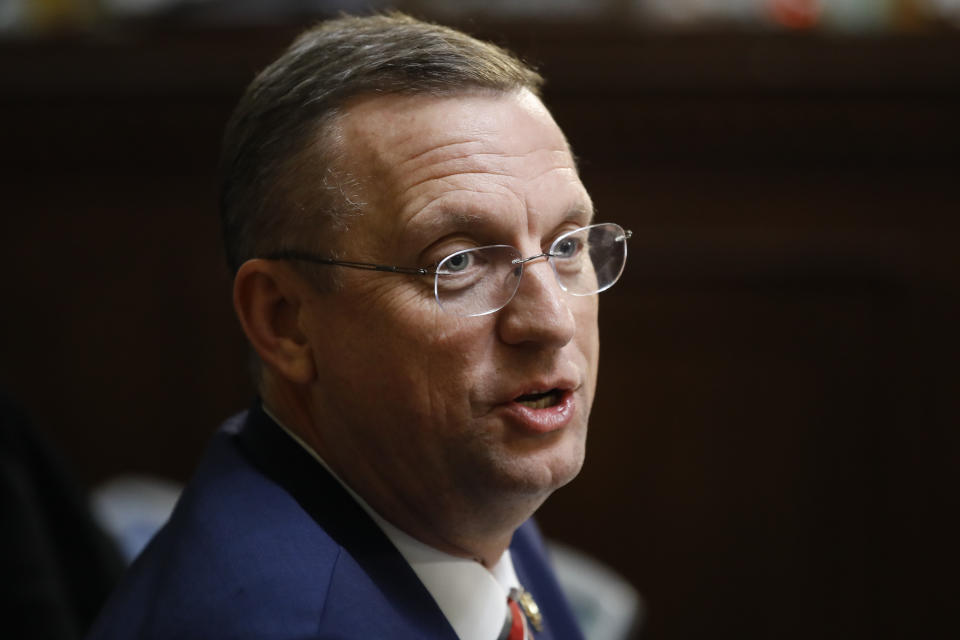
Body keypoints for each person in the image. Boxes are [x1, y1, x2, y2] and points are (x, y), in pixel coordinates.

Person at [87, 13, 631, 640]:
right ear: (285, 321)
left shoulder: (457, 490)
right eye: (457, 263)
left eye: (565, 246)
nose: (551, 321)